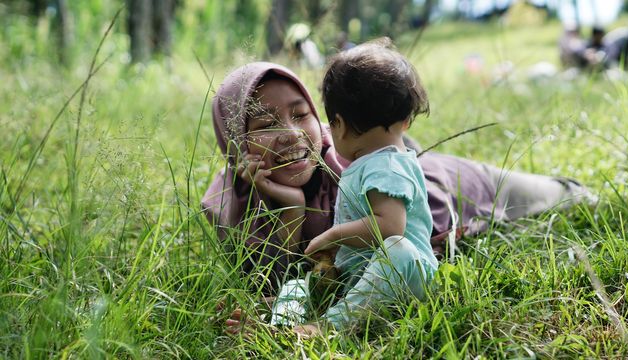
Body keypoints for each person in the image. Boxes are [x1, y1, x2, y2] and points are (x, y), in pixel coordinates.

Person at [202, 51, 595, 333]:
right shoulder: (228, 204)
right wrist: (292, 208)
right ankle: (284, 330)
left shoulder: (344, 159)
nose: (290, 134)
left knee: (551, 193)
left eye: (301, 113)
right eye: (267, 122)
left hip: (445, 187)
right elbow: (294, 276)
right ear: (234, 139)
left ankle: (571, 187)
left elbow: (400, 236)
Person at [267, 38, 439, 333]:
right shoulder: (371, 165)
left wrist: (335, 236)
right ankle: (281, 320)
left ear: (339, 125)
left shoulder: (386, 166)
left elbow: (390, 228)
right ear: (407, 121)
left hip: (408, 274)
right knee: (300, 282)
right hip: (366, 276)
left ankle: (328, 327)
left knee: (397, 248)